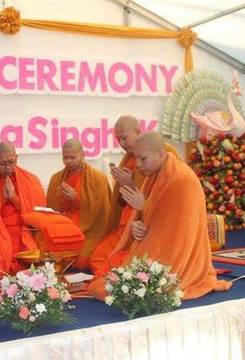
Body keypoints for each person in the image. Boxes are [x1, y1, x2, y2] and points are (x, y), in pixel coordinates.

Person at [89, 132, 231, 300]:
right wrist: (137, 224)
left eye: (143, 159)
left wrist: (143, 206)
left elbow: (179, 228)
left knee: (112, 288)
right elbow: (153, 216)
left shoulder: (182, 179)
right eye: (137, 159)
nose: (139, 165)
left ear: (161, 154)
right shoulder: (155, 173)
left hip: (178, 253)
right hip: (157, 243)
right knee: (105, 279)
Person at [89, 115, 177, 275]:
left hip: (151, 225)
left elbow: (167, 195)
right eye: (118, 139)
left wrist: (131, 184)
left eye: (124, 138)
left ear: (138, 131)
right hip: (129, 223)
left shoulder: (165, 154)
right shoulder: (128, 158)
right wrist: (123, 185)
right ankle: (119, 279)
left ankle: (124, 279)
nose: (121, 144)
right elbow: (122, 202)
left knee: (116, 260)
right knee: (98, 256)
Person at [0, 142, 46, 282]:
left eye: (11, 162)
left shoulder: (31, 180)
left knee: (32, 257)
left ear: (16, 158)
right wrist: (3, 199)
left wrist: (14, 198)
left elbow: (37, 216)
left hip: (24, 231)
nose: (7, 167)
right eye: (2, 163)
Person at [46, 139, 112, 269]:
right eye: (65, 158)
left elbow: (103, 213)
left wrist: (77, 200)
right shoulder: (56, 178)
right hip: (63, 227)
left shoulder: (99, 179)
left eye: (72, 157)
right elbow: (51, 211)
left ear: (83, 155)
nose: (69, 161)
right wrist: (60, 199)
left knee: (84, 257)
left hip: (90, 230)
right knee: (46, 249)